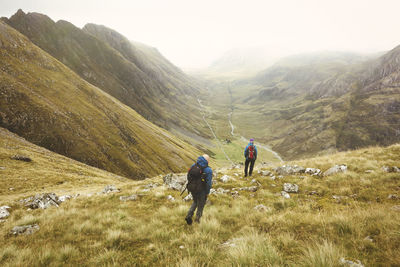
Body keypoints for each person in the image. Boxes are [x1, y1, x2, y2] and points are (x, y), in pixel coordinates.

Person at [185, 154, 212, 225]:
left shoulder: (193, 165)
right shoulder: (208, 170)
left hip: (192, 188)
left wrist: (193, 185)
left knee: (195, 201)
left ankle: (189, 215)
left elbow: (188, 176)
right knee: (201, 204)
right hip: (201, 190)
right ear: (207, 160)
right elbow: (208, 183)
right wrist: (207, 192)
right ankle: (197, 219)